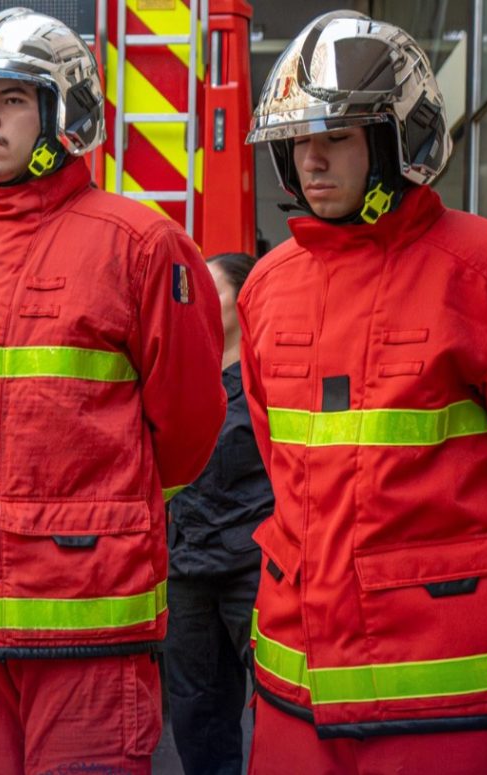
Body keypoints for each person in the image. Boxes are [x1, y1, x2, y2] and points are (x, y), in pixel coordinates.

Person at [240, 11, 487, 774]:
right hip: (294, 693)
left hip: (449, 705)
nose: (311, 160)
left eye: (335, 136)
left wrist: (462, 586)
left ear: (401, 140)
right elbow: (284, 461)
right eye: (299, 139)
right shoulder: (269, 287)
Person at [0, 8, 226, 773]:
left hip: (89, 627)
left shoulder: (142, 245)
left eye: (13, 99)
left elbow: (186, 427)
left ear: (65, 113)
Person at [163, 252, 273, 775]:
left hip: (252, 568)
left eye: (214, 289)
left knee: (279, 709)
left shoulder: (269, 378)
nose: (199, 300)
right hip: (186, 569)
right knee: (196, 715)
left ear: (243, 298)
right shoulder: (179, 376)